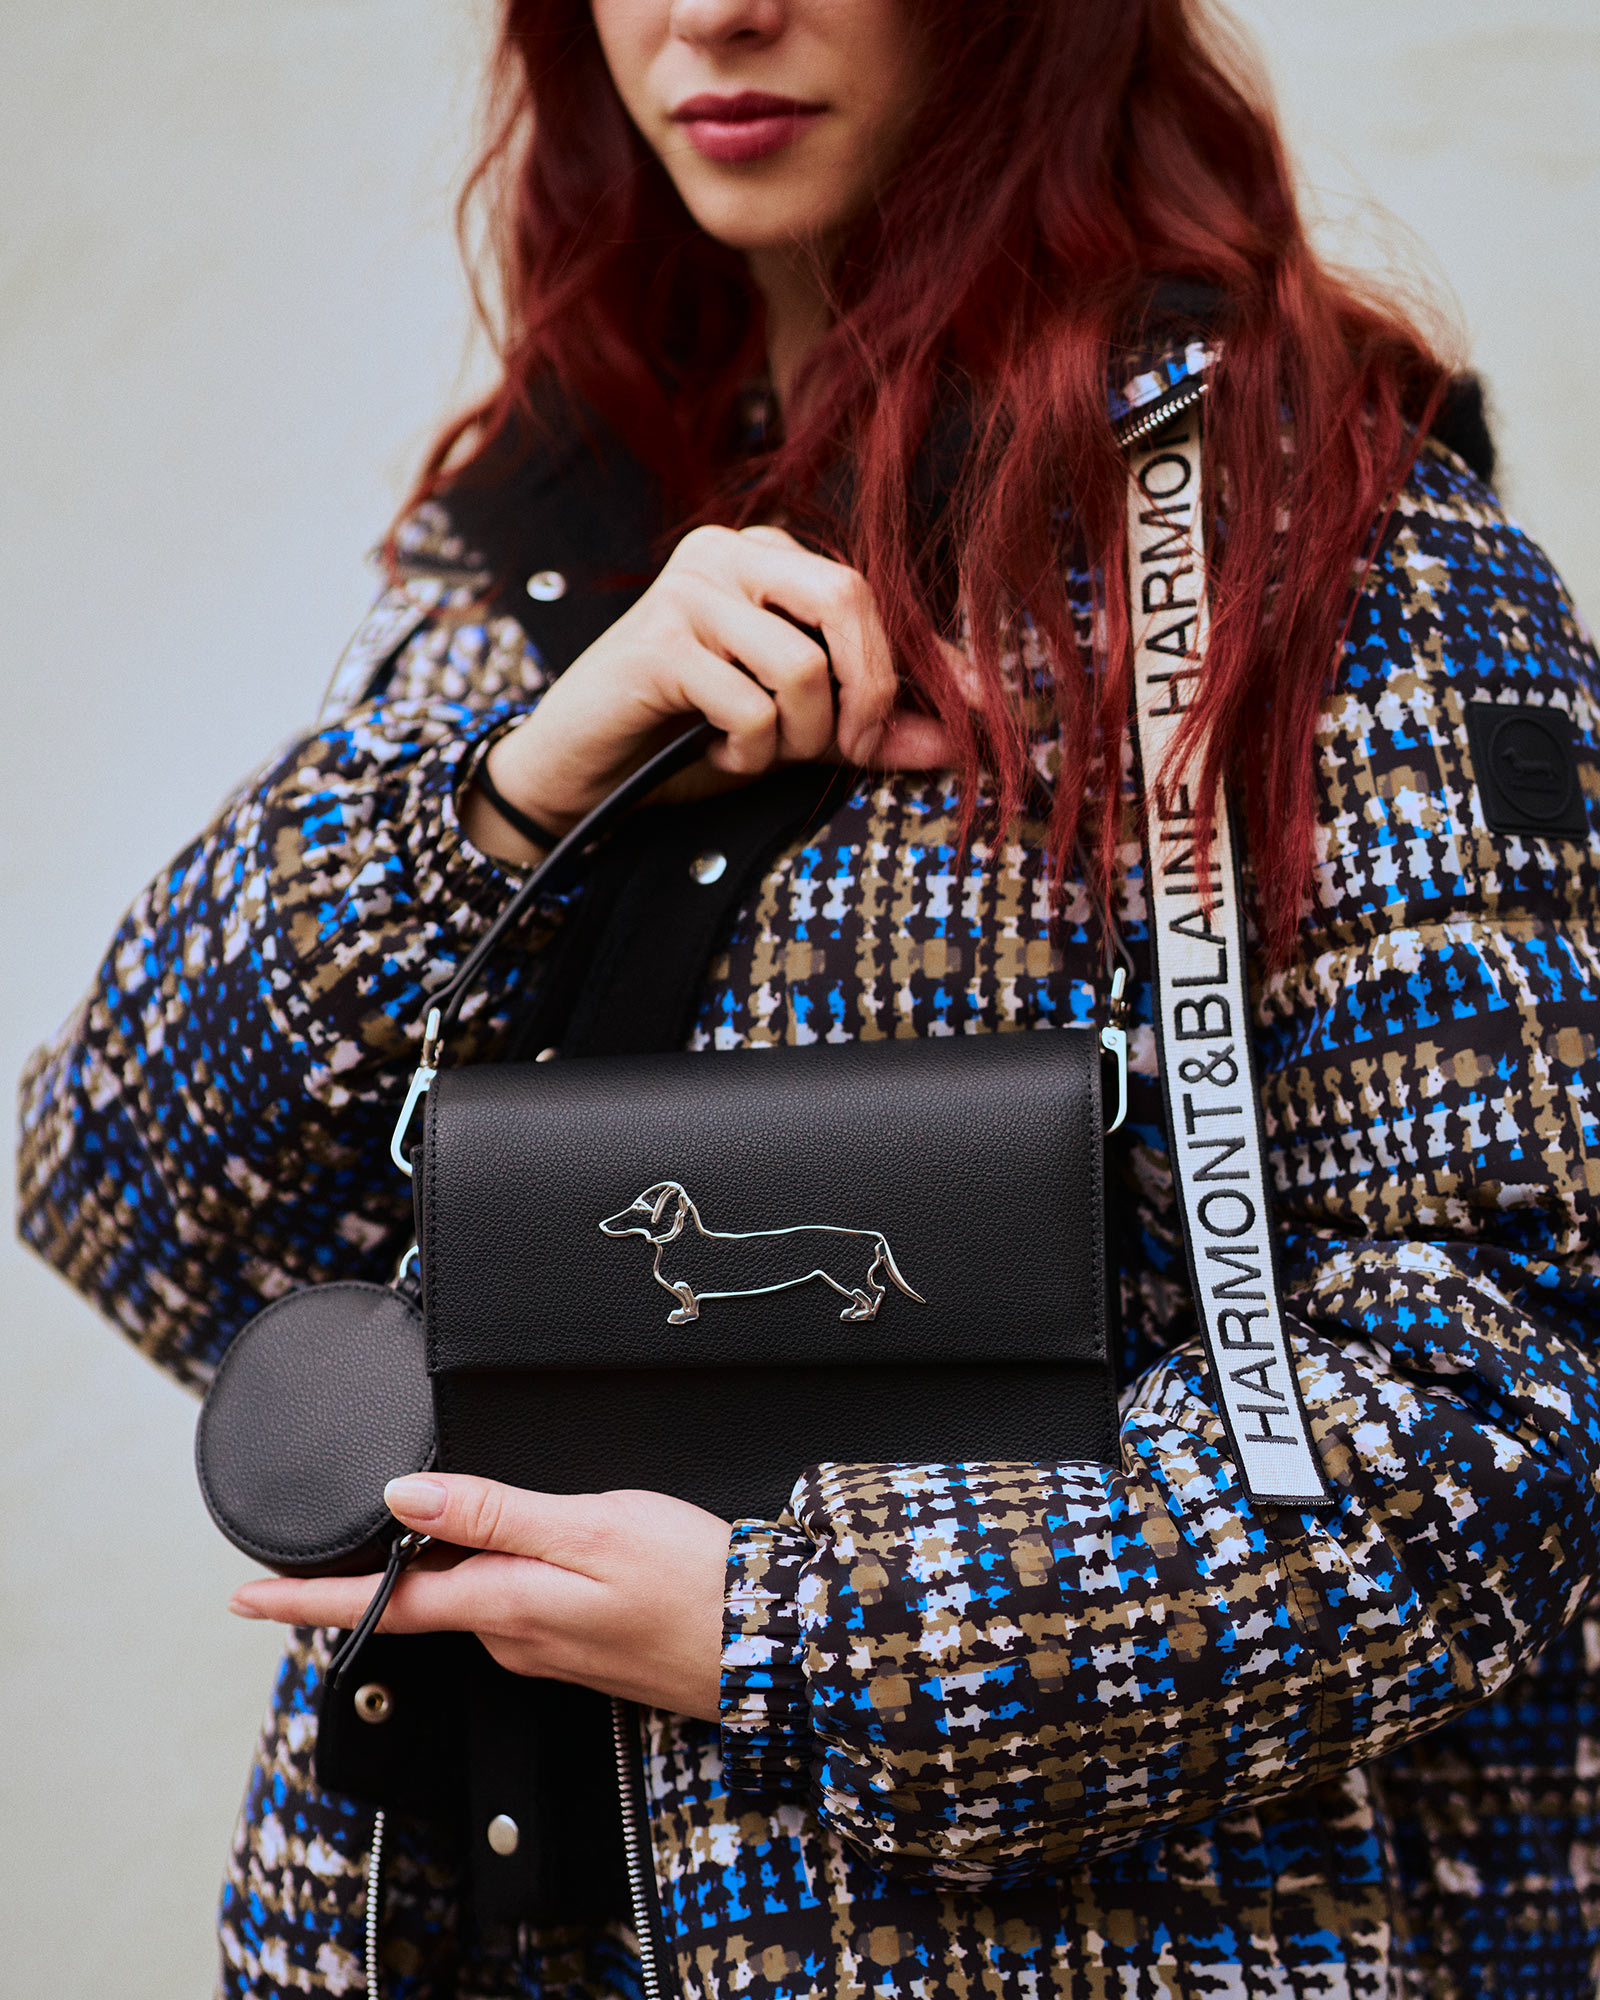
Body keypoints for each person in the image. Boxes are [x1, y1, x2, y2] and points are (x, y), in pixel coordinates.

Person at [16, 0, 1600, 1993]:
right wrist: (505, 797)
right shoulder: (520, 542)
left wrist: (800, 1630)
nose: (712, 12)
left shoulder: (1320, 545)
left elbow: (1502, 1405)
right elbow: (137, 1211)